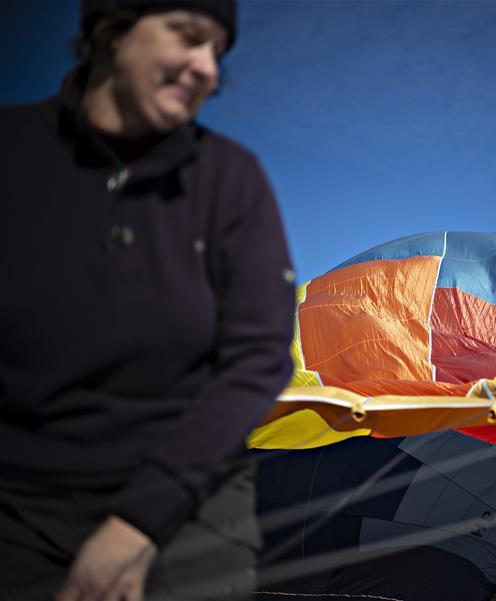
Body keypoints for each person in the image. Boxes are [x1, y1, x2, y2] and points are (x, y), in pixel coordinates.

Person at [0, 1, 296, 599]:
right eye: (187, 38)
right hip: (17, 496)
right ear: (111, 31)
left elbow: (260, 355)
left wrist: (139, 520)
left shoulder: (231, 180)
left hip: (190, 496)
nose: (207, 68)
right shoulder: (12, 153)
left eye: (218, 51)